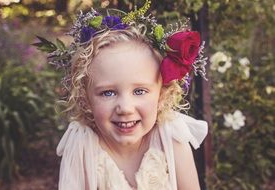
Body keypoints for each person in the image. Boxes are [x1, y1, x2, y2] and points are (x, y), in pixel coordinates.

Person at [35, 1, 208, 189]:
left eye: (139, 91)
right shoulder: (82, 146)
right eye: (108, 92)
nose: (125, 108)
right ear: (86, 99)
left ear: (162, 94)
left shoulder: (171, 138)